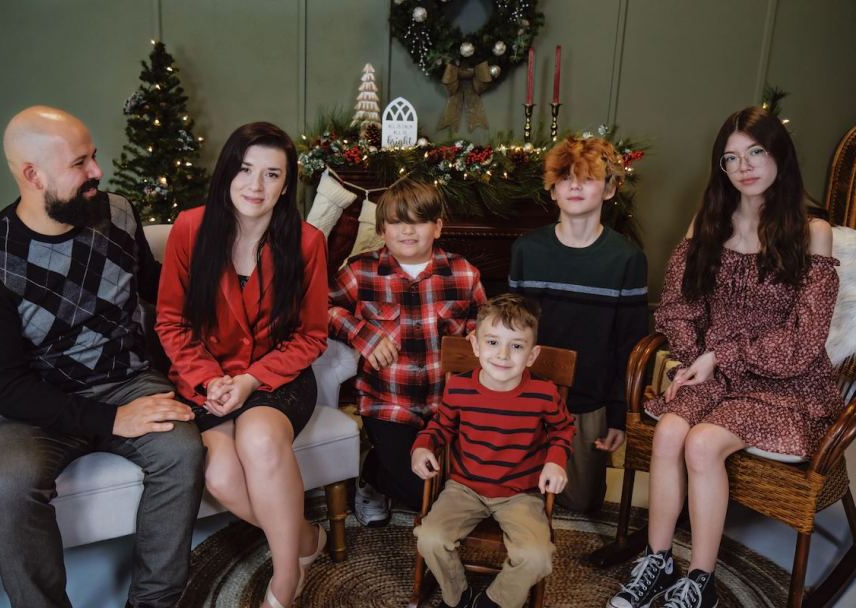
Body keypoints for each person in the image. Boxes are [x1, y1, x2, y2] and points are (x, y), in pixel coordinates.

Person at [0, 106, 204, 608]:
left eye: (94, 157)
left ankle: (154, 603)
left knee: (181, 452)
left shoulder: (119, 214)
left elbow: (162, 293)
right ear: (32, 174)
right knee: (10, 488)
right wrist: (114, 419)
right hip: (34, 406)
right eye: (80, 163)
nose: (97, 172)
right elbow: (4, 388)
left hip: (129, 379)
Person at [607, 106, 844, 608]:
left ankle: (700, 580)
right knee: (670, 431)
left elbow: (804, 342)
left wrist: (721, 355)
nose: (745, 167)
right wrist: (692, 359)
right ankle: (657, 559)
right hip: (714, 369)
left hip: (782, 381)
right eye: (731, 158)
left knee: (701, 444)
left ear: (779, 154)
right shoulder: (710, 221)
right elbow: (677, 303)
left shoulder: (811, 231)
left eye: (756, 152)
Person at [155, 122, 328, 608]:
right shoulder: (190, 229)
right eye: (246, 170)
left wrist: (252, 379)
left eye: (272, 174)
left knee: (258, 438)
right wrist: (210, 378)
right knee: (221, 478)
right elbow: (171, 324)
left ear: (287, 183)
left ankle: (285, 581)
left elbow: (312, 335)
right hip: (206, 378)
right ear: (227, 171)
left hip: (276, 375)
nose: (256, 186)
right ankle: (308, 539)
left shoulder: (307, 241)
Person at [328, 179, 487, 526]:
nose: (407, 231)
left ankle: (382, 467)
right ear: (383, 230)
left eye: (418, 221)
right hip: (388, 404)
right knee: (421, 493)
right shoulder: (361, 271)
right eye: (397, 223)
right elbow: (321, 309)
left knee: (460, 489)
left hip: (445, 405)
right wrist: (362, 334)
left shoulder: (462, 272)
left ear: (438, 227)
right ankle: (372, 476)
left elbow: (483, 328)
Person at [508, 136, 648, 513]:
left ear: (610, 188)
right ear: (552, 191)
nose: (574, 185)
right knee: (516, 494)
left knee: (580, 504)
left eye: (586, 178)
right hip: (526, 394)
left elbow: (629, 345)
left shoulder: (627, 258)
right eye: (565, 177)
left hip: (589, 402)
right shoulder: (527, 250)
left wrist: (618, 413)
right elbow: (511, 331)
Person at [411, 294, 575, 608]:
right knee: (430, 538)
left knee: (537, 556)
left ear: (532, 354)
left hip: (520, 493)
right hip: (464, 487)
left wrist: (555, 462)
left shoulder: (544, 394)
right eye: (492, 342)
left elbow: (563, 429)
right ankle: (457, 595)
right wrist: (422, 447)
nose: (502, 355)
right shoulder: (459, 388)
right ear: (474, 345)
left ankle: (495, 600)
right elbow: (440, 426)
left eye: (516, 346)